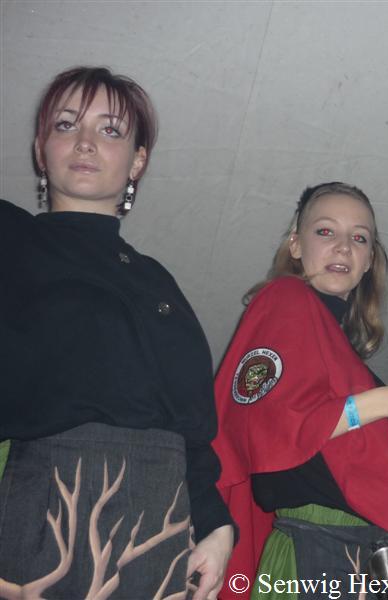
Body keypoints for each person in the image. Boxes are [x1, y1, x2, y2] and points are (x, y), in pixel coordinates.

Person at [0, 67, 234, 599]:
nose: (85, 142)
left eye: (110, 130)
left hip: (163, 518)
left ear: (138, 161)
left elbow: (191, 425)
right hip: (50, 507)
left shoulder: (159, 283)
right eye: (65, 125)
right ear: (40, 149)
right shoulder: (11, 239)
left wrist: (216, 524)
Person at [212, 182, 388, 599]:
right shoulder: (285, 298)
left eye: (359, 238)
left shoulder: (342, 351)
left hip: (365, 554)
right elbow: (268, 427)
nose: (343, 247)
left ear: (369, 259)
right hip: (318, 549)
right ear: (295, 245)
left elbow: (330, 426)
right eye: (325, 231)